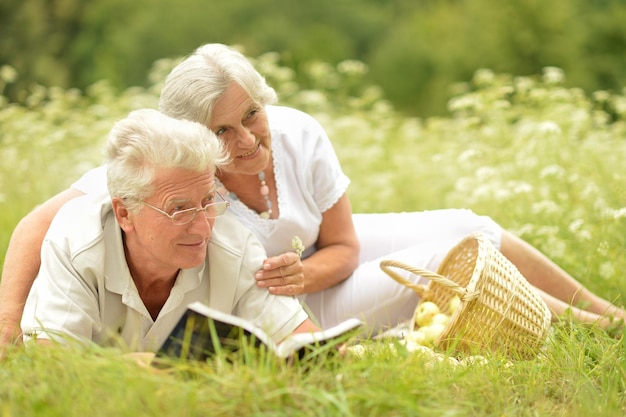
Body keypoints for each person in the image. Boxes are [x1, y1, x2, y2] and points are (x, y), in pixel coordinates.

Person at [2, 44, 625, 352]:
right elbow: (38, 223)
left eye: (252, 115)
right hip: (268, 299)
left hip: (317, 269)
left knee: (474, 227)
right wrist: (7, 326)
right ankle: (585, 335)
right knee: (441, 262)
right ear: (195, 137)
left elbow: (345, 245)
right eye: (224, 130)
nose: (247, 140)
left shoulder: (298, 132)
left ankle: (608, 321)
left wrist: (309, 272)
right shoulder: (176, 169)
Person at [19, 108, 318, 352]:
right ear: (125, 213)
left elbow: (307, 345)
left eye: (208, 201)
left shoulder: (235, 246)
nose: (203, 228)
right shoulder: (76, 241)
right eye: (180, 209)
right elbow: (52, 363)